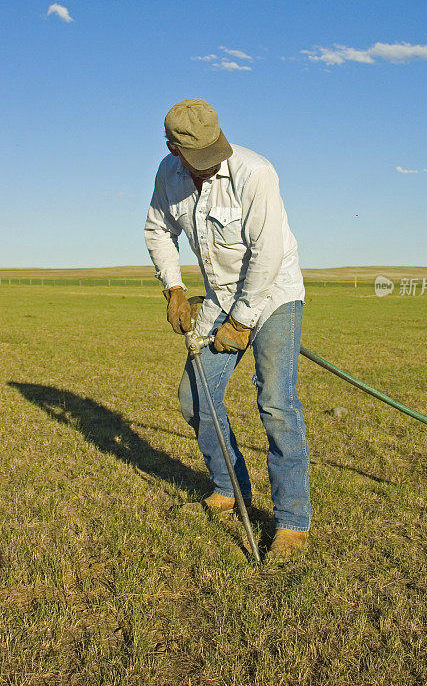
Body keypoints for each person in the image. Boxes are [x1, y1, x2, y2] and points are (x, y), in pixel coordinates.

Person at [144, 98, 310, 558]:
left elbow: (267, 251)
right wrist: (174, 288)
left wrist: (242, 320)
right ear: (173, 149)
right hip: (219, 295)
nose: (206, 165)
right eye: (194, 158)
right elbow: (158, 230)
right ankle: (228, 486)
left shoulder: (255, 172)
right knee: (194, 396)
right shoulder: (168, 174)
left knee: (276, 404)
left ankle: (293, 522)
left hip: (274, 293)